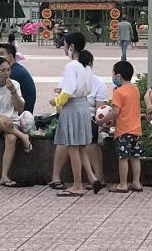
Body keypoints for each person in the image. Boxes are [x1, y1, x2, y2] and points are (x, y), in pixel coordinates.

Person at [48, 32, 103, 196]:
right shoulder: (85, 64)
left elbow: (69, 90)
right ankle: (92, 178)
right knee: (80, 146)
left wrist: (57, 101)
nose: (64, 48)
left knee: (73, 146)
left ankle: (77, 185)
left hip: (72, 107)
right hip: (83, 106)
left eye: (65, 45)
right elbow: (77, 86)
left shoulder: (72, 65)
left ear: (71, 47)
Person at [0, 57, 33, 187]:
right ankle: (23, 136)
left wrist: (13, 91)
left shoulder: (15, 84)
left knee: (11, 139)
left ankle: (4, 176)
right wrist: (2, 117)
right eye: (2, 70)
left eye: (8, 70)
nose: (6, 73)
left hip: (12, 123)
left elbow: (20, 109)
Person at [98, 61, 143, 193]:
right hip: (136, 130)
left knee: (123, 158)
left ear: (118, 76)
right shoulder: (135, 89)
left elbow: (116, 112)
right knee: (135, 157)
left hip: (124, 131)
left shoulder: (119, 92)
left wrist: (102, 120)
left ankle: (122, 184)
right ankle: (136, 183)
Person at [0, 43, 36, 113]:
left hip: (21, 114)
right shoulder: (16, 68)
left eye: (1, 54)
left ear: (10, 56)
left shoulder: (12, 73)